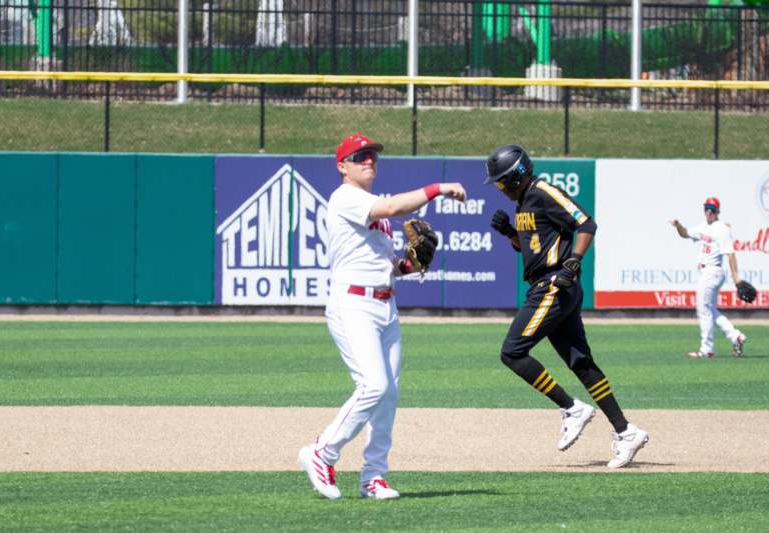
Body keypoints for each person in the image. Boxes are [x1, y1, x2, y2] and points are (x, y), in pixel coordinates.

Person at [298, 133, 467, 499]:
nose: (369, 160)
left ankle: (373, 477)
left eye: (372, 154)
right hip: (352, 303)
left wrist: (409, 264)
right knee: (373, 385)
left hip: (385, 305)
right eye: (359, 156)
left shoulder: (371, 204)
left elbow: (387, 265)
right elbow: (392, 209)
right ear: (342, 166)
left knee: (388, 395)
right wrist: (437, 188)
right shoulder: (345, 197)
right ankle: (322, 452)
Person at [485, 144, 649, 469]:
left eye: (503, 182)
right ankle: (626, 431)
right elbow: (530, 247)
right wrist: (509, 233)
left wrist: (573, 262)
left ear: (518, 174)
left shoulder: (544, 191)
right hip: (549, 284)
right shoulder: (523, 202)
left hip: (553, 285)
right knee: (581, 363)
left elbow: (585, 223)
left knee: (512, 352)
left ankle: (572, 408)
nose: (501, 189)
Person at [670, 197, 747, 358]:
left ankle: (707, 349)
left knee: (703, 311)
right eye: (707, 208)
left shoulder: (722, 229)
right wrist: (678, 225)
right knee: (709, 310)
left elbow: (730, 254)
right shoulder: (703, 227)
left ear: (717, 211)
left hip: (712, 271)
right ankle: (736, 336)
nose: (709, 211)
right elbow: (685, 234)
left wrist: (736, 278)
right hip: (706, 273)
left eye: (712, 209)